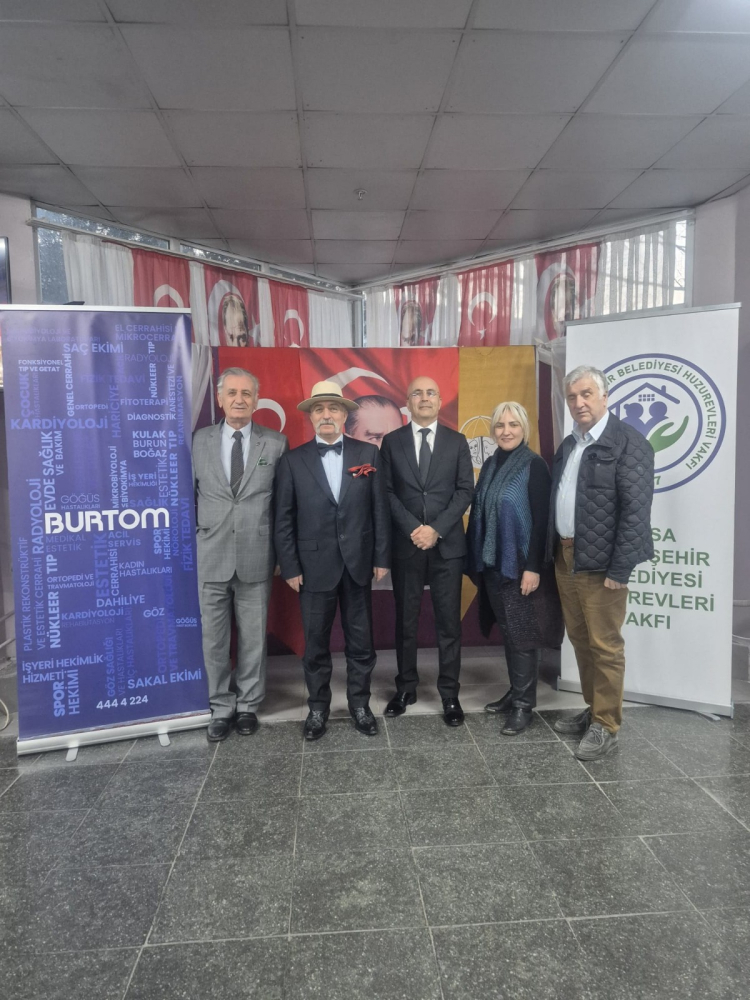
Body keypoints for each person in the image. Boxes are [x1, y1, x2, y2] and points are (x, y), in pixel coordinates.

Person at [274, 381, 390, 741]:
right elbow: (283, 518)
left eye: (333, 408)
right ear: (311, 416)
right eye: (319, 409)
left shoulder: (367, 455)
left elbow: (379, 509)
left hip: (358, 564)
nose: (326, 415)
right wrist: (290, 566)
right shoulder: (292, 461)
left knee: (361, 644)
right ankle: (317, 709)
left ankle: (360, 706)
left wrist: (381, 556)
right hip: (311, 569)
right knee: (316, 646)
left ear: (344, 415)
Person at [548, 364, 654, 760]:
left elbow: (636, 511)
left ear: (605, 397)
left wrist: (620, 569)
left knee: (605, 645)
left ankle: (606, 725)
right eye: (572, 396)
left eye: (586, 394)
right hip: (566, 557)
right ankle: (595, 709)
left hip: (602, 564)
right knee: (580, 639)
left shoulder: (628, 443)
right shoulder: (569, 444)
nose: (579, 403)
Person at [192, 367, 288, 741]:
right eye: (231, 392)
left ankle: (248, 705)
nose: (239, 399)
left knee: (253, 639)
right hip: (210, 556)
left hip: (256, 556)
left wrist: (280, 555)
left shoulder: (275, 443)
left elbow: (282, 506)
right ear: (220, 398)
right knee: (213, 640)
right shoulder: (198, 441)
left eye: (246, 393)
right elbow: (186, 496)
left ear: (256, 400)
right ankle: (220, 706)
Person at [380, 376, 474, 726]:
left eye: (430, 392)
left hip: (446, 546)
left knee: (448, 623)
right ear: (407, 402)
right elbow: (386, 492)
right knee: (406, 621)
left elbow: (465, 490)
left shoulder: (457, 441)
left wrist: (435, 529)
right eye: (417, 393)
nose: (424, 398)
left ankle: (449, 693)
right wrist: (413, 529)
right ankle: (406, 689)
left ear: (439, 400)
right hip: (407, 546)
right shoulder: (392, 442)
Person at [466, 402, 563, 734]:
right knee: (509, 633)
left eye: (513, 425)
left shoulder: (534, 465)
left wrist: (533, 568)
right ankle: (516, 691)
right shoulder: (492, 463)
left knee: (523, 634)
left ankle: (524, 705)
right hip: (494, 563)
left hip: (520, 565)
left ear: (524, 429)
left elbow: (542, 523)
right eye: (500, 425)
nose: (506, 431)